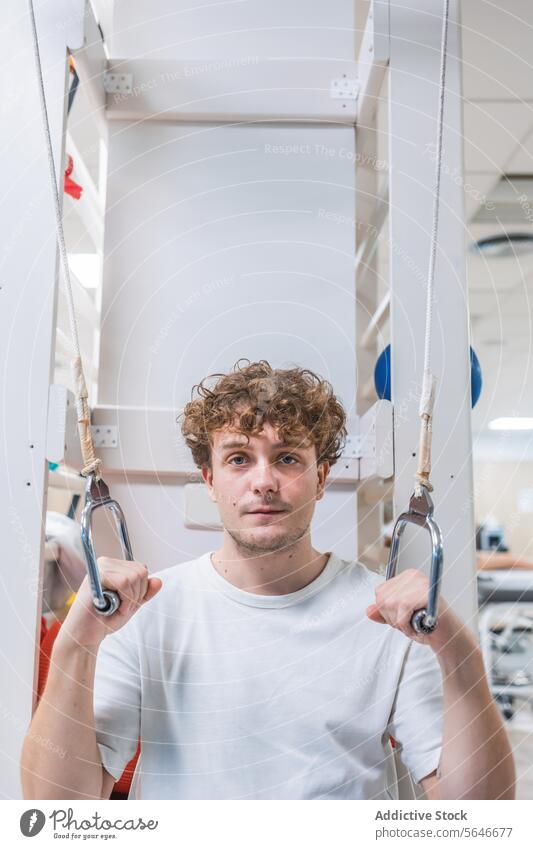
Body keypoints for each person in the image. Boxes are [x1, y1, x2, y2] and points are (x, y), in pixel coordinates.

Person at [21, 360, 515, 800]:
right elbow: (60, 807)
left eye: (287, 458)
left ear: (321, 477)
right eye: (238, 458)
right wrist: (76, 643)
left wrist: (459, 653)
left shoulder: (389, 620)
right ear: (209, 480)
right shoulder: (147, 613)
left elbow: (476, 813)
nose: (263, 481)